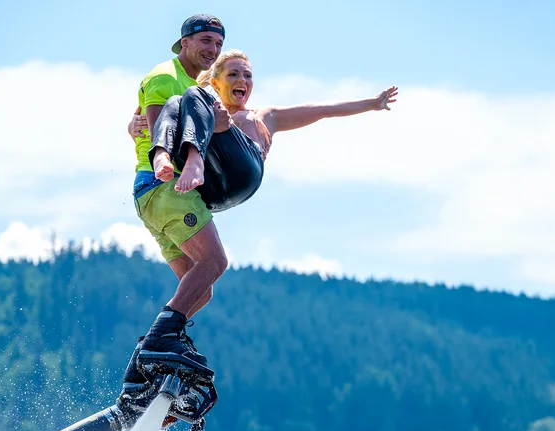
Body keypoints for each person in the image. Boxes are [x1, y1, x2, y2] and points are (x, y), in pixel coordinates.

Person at [122, 49, 398, 381]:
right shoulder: (203, 105)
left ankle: (161, 340)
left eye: (247, 75)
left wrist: (371, 103)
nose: (242, 81)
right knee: (200, 286)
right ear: (218, 80)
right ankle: (146, 362)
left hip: (243, 170)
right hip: (214, 188)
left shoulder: (262, 116)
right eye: (233, 75)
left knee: (196, 101)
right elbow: (166, 114)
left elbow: (322, 110)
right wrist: (134, 124)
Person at [120, 13, 231, 390]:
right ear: (184, 42)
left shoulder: (199, 85)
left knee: (200, 286)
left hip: (158, 197)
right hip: (163, 185)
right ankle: (159, 342)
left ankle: (144, 364)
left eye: (218, 45)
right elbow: (157, 132)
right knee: (214, 262)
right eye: (206, 42)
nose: (213, 51)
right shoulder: (166, 76)